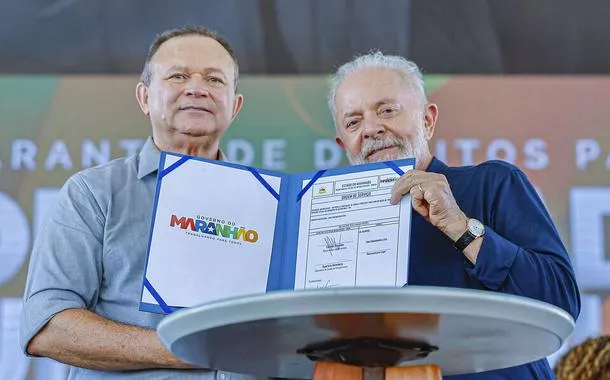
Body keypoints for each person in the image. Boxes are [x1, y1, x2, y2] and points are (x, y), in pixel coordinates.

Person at [19, 26, 260, 379]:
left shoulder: (269, 203)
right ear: (144, 97)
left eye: (215, 79)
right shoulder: (93, 194)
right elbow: (47, 325)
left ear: (235, 106)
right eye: (178, 76)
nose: (197, 88)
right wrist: (185, 350)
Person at [328, 51, 581, 379]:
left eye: (387, 110)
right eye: (353, 122)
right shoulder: (329, 227)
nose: (372, 128)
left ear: (427, 120)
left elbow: (560, 302)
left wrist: (462, 229)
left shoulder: (493, 184)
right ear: (342, 143)